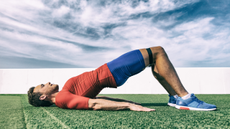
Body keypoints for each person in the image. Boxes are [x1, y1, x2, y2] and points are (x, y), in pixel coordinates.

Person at [28, 46, 216, 111]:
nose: (47, 83)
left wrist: (125, 100)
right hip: (112, 71)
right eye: (43, 86)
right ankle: (185, 97)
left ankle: (175, 98)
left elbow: (95, 99)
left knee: (155, 59)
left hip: (110, 70)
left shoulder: (64, 95)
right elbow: (95, 104)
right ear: (43, 96)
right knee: (157, 52)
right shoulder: (61, 99)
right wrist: (128, 106)